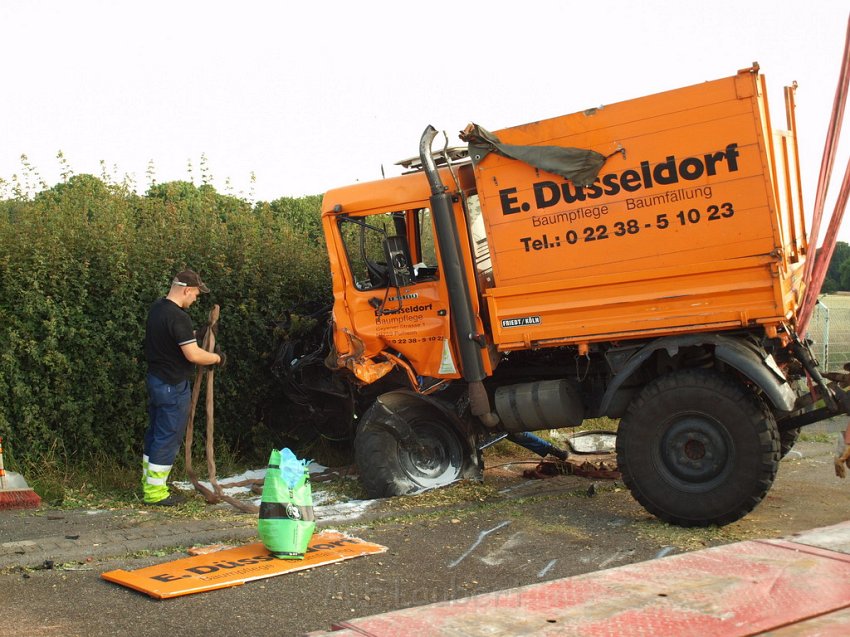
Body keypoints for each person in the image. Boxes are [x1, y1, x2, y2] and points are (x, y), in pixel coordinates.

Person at [142, 269, 225, 506]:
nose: (196, 299)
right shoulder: (178, 317)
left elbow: (174, 338)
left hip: (157, 380)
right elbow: (193, 354)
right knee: (168, 437)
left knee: (156, 434)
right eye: (196, 294)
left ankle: (150, 484)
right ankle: (156, 494)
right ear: (187, 289)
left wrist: (198, 334)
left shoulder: (158, 308)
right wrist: (217, 359)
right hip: (172, 385)